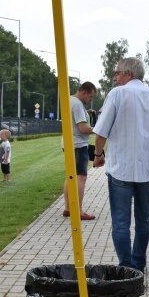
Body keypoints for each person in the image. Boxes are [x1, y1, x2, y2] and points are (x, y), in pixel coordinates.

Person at [92, 58, 149, 273]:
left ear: (128, 73)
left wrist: (98, 155)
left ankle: (126, 267)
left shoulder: (117, 95)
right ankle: (139, 264)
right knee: (144, 219)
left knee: (121, 221)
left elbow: (100, 133)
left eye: (117, 73)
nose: (115, 78)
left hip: (120, 168)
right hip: (148, 169)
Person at [62, 81, 97, 220]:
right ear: (84, 92)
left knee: (70, 176)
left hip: (68, 143)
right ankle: (79, 211)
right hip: (78, 145)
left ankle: (68, 208)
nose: (90, 100)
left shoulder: (69, 100)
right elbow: (83, 128)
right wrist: (99, 129)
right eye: (91, 97)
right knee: (80, 177)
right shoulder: (77, 104)